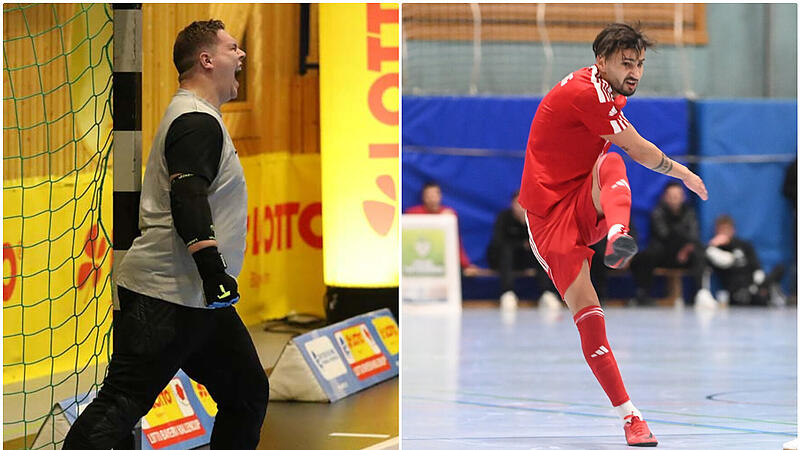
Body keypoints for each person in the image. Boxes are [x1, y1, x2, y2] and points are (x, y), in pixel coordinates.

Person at [64, 20, 268, 449]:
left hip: (198, 299)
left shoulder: (200, 118)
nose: (242, 54)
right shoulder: (195, 121)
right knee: (122, 402)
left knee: (247, 392)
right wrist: (212, 268)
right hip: (168, 297)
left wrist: (210, 282)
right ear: (207, 60)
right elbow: (188, 195)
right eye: (233, 48)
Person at [518, 23, 708, 447]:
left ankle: (617, 235)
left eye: (639, 63)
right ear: (600, 61)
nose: (635, 72)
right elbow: (640, 148)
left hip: (583, 193)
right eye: (627, 63)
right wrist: (686, 174)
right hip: (549, 217)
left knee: (609, 164)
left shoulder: (607, 90)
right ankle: (630, 416)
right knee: (589, 316)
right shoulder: (590, 93)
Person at [629, 182, 710, 306]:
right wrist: (683, 242)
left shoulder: (689, 212)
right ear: (665, 197)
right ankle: (643, 294)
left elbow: (693, 235)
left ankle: (701, 293)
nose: (675, 199)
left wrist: (685, 249)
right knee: (646, 256)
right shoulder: (658, 211)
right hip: (664, 253)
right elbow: (664, 235)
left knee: (699, 252)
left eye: (677, 195)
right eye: (671, 195)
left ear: (683, 196)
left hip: (685, 254)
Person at [487, 191, 559, 309]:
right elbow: (497, 243)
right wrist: (520, 245)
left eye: (524, 204)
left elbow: (545, 241)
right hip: (505, 260)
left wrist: (527, 227)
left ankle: (547, 293)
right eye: (518, 204)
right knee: (506, 250)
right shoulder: (504, 218)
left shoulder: (536, 219)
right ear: (512, 205)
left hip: (528, 259)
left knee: (539, 252)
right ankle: (507, 293)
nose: (521, 208)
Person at [706, 215, 784, 306]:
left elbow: (755, 263)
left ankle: (767, 290)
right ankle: (767, 293)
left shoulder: (744, 245)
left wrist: (758, 273)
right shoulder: (716, 250)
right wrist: (712, 245)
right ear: (717, 231)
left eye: (727, 229)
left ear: (733, 230)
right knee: (756, 298)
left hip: (754, 282)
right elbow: (711, 263)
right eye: (722, 230)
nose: (725, 232)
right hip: (737, 288)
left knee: (779, 268)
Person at [405, 181, 479, 275]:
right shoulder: (412, 214)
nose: (432, 199)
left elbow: (456, 242)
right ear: (423, 197)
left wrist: (466, 265)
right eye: (428, 196)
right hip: (419, 262)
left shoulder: (449, 214)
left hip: (444, 260)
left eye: (434, 195)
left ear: (440, 196)